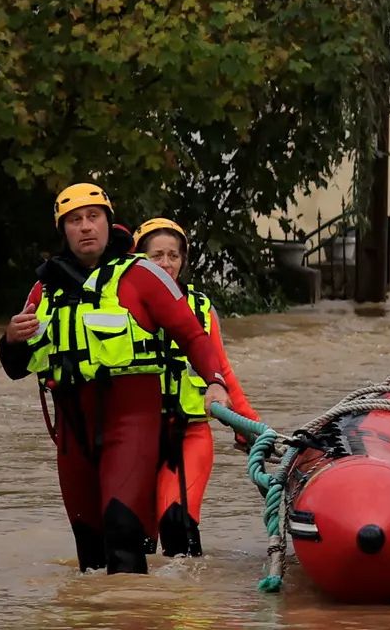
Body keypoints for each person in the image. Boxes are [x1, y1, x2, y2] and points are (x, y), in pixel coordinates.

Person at [0, 183, 232, 574]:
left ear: (109, 224)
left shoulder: (142, 276)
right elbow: (15, 367)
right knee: (89, 554)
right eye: (75, 220)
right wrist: (10, 338)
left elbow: (193, 334)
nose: (86, 227)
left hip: (130, 424)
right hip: (73, 434)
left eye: (94, 218)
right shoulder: (44, 289)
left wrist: (215, 381)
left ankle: (134, 613)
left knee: (123, 533)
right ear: (64, 230)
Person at [134, 217, 260, 558]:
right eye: (156, 255)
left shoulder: (202, 309)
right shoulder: (120, 307)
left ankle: (192, 605)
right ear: (137, 260)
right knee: (136, 541)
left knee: (178, 525)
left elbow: (223, 373)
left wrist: (248, 426)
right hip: (134, 436)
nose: (165, 264)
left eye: (173, 256)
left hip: (189, 434)